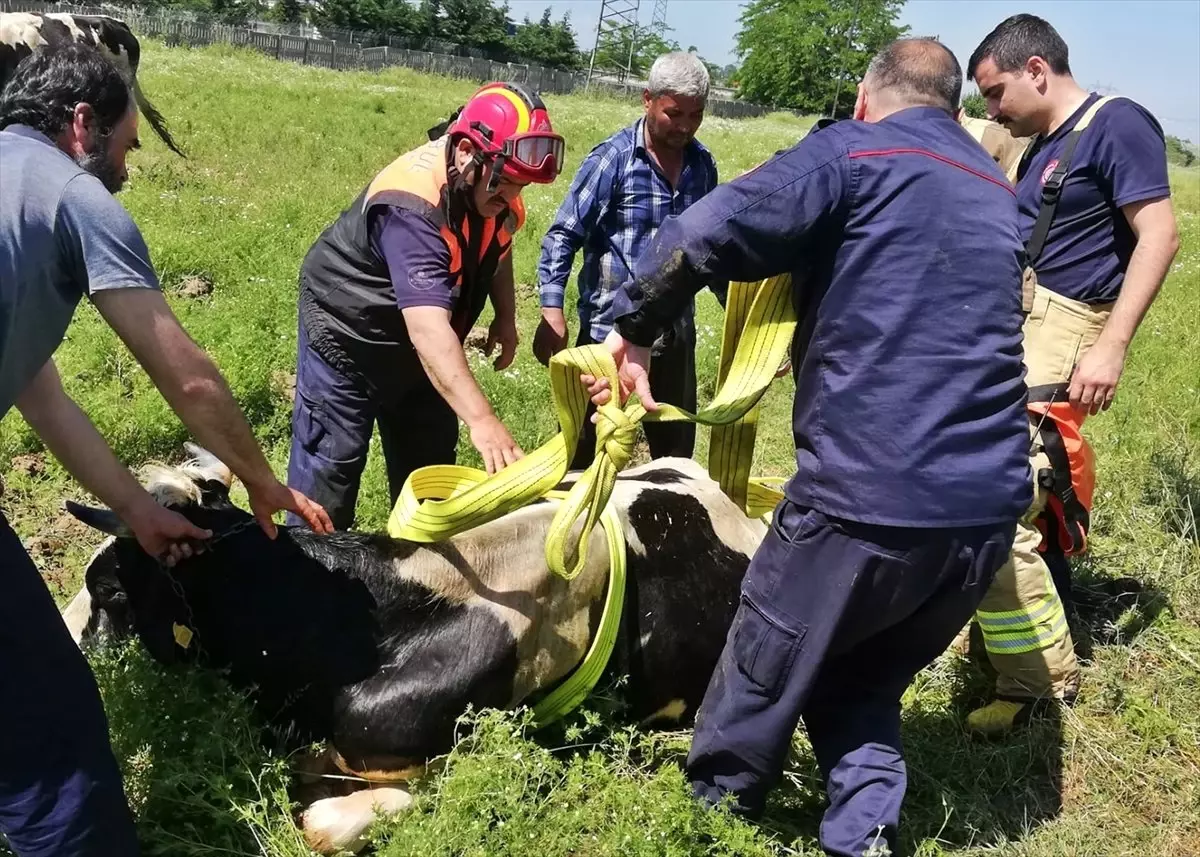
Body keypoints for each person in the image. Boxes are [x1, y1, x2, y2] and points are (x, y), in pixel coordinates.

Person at [584, 39, 1032, 856]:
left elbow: (708, 226)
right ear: (954, 106)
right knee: (857, 672)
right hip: (985, 517)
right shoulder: (994, 187)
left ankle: (712, 819)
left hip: (869, 497)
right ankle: (862, 833)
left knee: (765, 650)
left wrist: (635, 331)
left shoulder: (854, 152)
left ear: (867, 96)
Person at [0, 44, 331, 857]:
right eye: (126, 142)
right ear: (82, 124)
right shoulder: (76, 197)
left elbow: (44, 397)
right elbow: (188, 380)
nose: (130, 161)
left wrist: (141, 510)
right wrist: (261, 481)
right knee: (49, 728)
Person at [965, 14, 1179, 736]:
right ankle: (1008, 637)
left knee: (1004, 497)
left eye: (996, 93)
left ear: (1035, 70)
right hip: (1025, 332)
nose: (993, 111)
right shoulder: (1046, 145)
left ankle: (1038, 687)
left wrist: (1112, 344)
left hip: (1068, 335)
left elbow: (1160, 233)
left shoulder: (1116, 124)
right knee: (1039, 500)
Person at [288, 82, 564, 529]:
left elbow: (499, 246)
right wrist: (483, 419)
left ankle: (420, 580)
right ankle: (308, 579)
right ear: (466, 153)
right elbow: (428, 331)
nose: (511, 197)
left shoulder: (493, 191)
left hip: (423, 347)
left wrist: (506, 316)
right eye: (504, 182)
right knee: (328, 481)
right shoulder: (413, 207)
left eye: (520, 186)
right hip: (348, 334)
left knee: (431, 479)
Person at [534, 51, 719, 469]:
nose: (686, 126)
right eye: (675, 113)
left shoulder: (702, 167)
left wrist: (746, 323)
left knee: (675, 461)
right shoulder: (613, 160)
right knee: (588, 457)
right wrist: (551, 308)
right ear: (647, 99)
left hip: (674, 339)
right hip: (607, 341)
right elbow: (564, 234)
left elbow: (715, 250)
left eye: (696, 114)